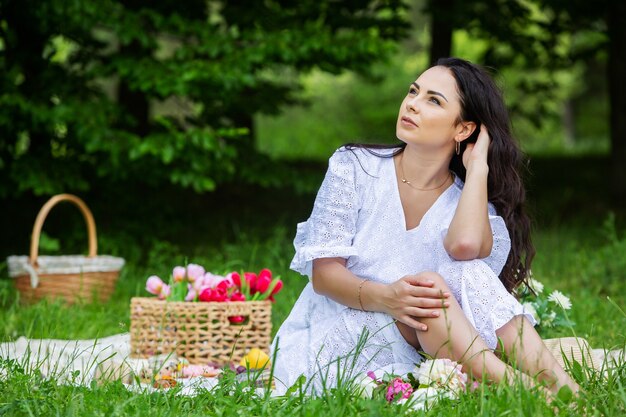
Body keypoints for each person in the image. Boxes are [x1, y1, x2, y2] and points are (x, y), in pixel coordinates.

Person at [271, 57, 579, 397]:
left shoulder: (468, 203)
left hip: (420, 337)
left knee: (462, 275)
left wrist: (478, 169)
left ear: (463, 129)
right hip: (339, 335)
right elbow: (325, 276)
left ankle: (564, 388)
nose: (412, 104)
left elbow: (464, 248)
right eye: (413, 91)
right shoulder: (355, 166)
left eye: (433, 100)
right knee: (427, 293)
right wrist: (389, 298)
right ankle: (529, 392)